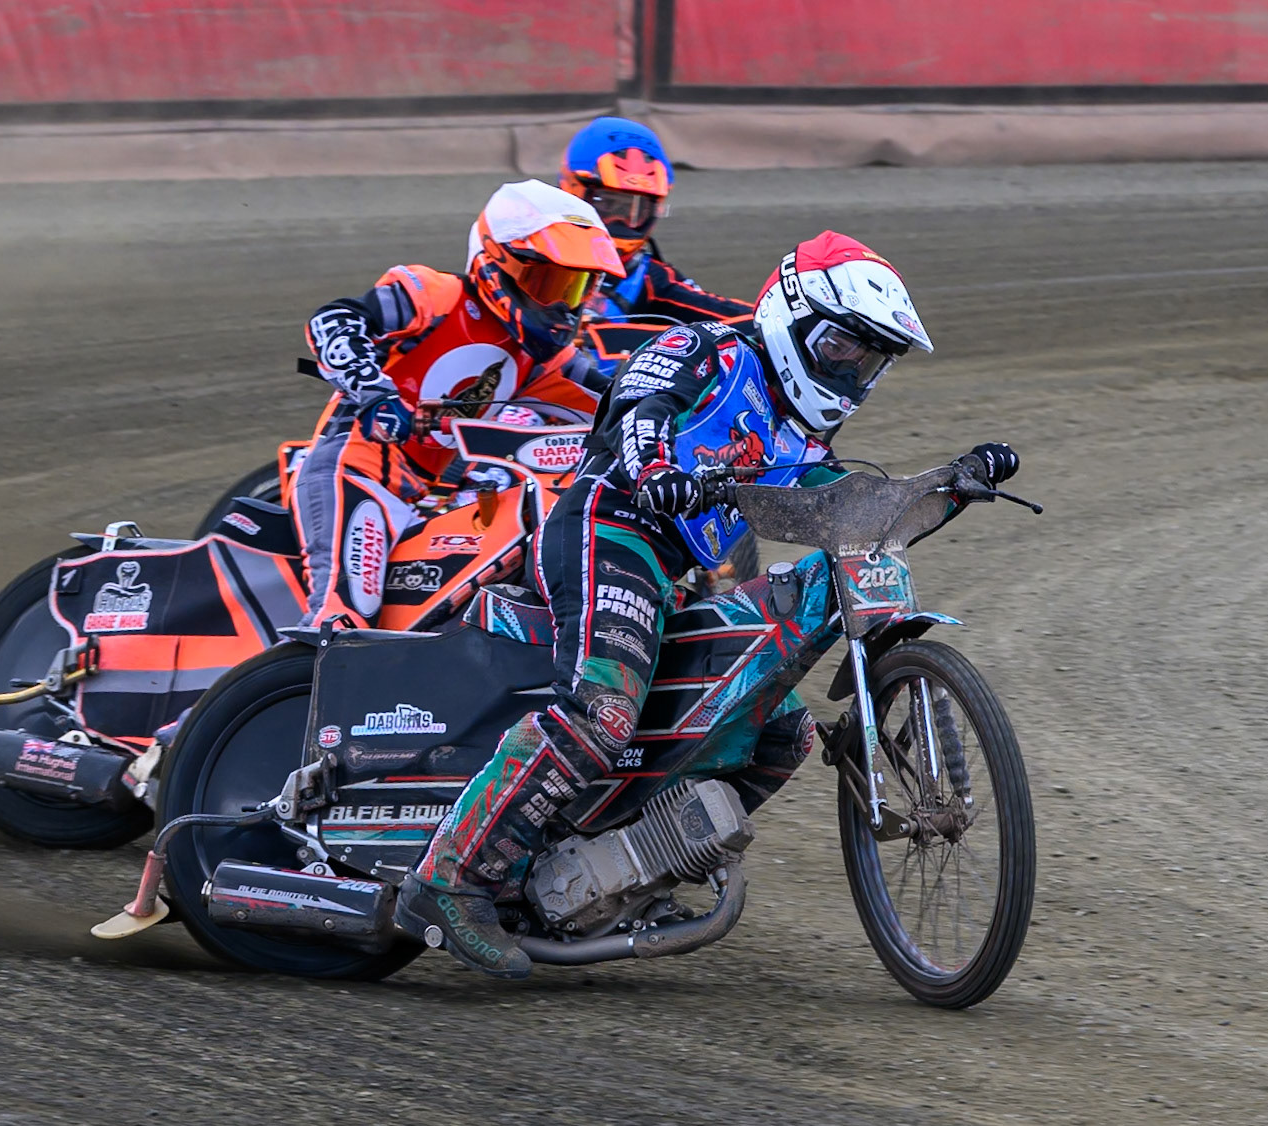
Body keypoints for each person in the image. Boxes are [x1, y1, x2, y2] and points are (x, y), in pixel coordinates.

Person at [395, 231, 1022, 977]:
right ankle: (448, 878)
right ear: (790, 319)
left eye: (869, 359)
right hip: (610, 528)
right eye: (842, 347)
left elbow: (853, 516)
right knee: (604, 712)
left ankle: (625, 866)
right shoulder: (709, 351)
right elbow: (640, 407)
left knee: (775, 733)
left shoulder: (805, 439)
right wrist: (656, 467)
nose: (851, 370)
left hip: (679, 569)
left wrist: (950, 484)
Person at [292, 180, 623, 628]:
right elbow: (334, 320)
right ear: (498, 262)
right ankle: (292, 678)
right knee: (346, 621)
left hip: (430, 500)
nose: (565, 307)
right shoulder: (435, 295)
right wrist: (374, 391)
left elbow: (618, 398)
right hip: (357, 472)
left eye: (577, 287)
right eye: (549, 284)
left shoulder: (542, 360)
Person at [558, 116, 752, 326]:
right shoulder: (527, 244)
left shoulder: (648, 278)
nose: (621, 221)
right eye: (608, 205)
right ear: (571, 192)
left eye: (637, 210)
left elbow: (739, 316)